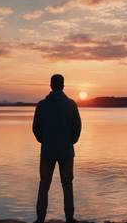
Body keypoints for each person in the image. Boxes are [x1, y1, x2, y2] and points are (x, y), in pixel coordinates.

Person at [32, 74, 82, 223]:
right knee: (67, 185)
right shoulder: (71, 104)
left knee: (44, 184)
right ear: (63, 86)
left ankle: (40, 219)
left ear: (51, 86)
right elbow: (77, 128)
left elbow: (36, 129)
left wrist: (45, 141)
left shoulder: (42, 105)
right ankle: (69, 218)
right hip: (66, 151)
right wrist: (70, 141)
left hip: (47, 151)